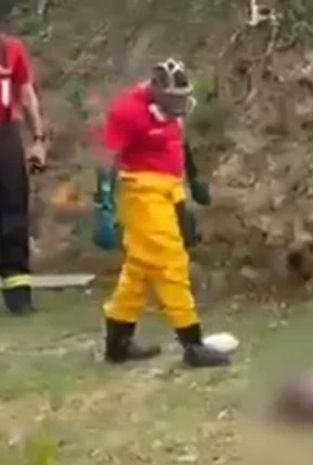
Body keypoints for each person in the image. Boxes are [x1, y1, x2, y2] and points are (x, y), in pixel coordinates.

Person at [96, 58, 229, 368]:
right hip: (143, 194)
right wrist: (103, 203)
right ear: (155, 89)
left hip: (171, 188)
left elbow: (179, 144)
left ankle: (117, 343)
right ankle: (192, 344)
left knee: (139, 270)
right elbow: (107, 158)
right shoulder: (128, 111)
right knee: (171, 263)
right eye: (173, 97)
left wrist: (193, 180)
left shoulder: (171, 110)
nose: (179, 103)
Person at [0, 27, 47, 315]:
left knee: (13, 212)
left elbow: (26, 96)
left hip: (4, 134)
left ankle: (18, 293)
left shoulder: (10, 49)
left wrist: (38, 140)